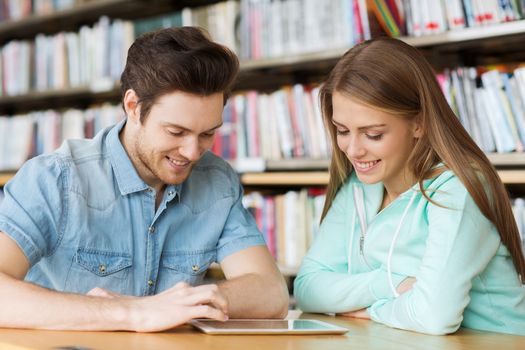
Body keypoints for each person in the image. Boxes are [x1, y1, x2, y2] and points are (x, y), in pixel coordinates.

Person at [0, 27, 288, 332]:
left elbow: (271, 294)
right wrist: (131, 312)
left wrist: (187, 301)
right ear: (133, 107)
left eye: (207, 134)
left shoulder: (217, 182)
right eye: (176, 132)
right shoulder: (55, 178)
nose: (192, 152)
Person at [294, 37, 525, 336]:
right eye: (342, 131)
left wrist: (366, 311)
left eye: (373, 134)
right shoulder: (359, 187)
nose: (352, 150)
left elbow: (433, 316)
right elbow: (308, 288)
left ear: (419, 123)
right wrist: (390, 283)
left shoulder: (458, 188)